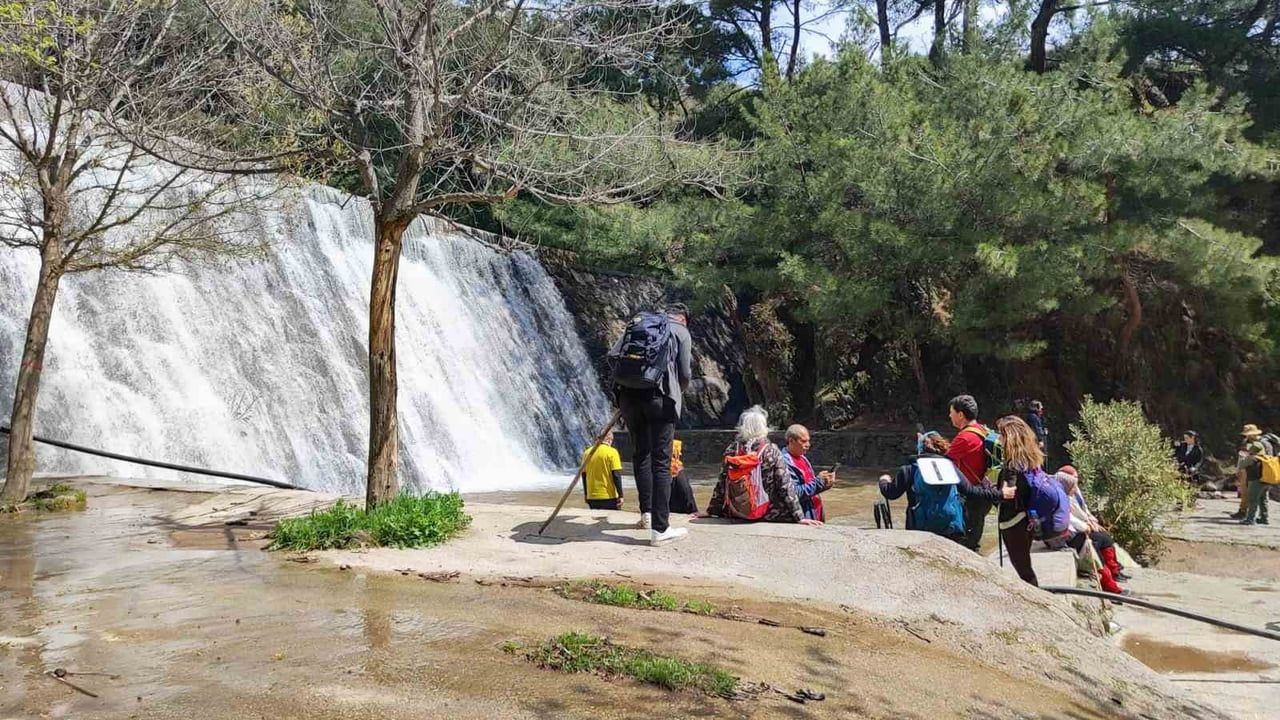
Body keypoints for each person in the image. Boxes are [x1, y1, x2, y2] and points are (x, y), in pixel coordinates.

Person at [614, 303, 693, 546]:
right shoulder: (680, 331)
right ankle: (661, 528)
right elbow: (685, 373)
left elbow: (613, 356)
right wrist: (676, 391)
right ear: (683, 318)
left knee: (641, 455)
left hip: (629, 396)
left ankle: (646, 514)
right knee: (661, 461)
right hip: (660, 399)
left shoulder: (638, 324)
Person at [878, 432, 1011, 544]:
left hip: (919, 530)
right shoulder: (950, 468)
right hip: (951, 527)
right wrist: (1000, 494)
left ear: (920, 449)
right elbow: (972, 491)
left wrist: (884, 480)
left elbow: (891, 493)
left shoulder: (910, 470)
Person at [696, 406, 820, 525]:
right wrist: (800, 517)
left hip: (735, 512)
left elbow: (722, 483)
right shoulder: (771, 451)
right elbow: (785, 486)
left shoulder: (733, 450)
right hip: (767, 513)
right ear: (764, 427)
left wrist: (710, 511)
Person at [994, 415, 1071, 587]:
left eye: (1001, 434)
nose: (998, 439)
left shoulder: (1012, 466)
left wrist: (991, 492)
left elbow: (1009, 493)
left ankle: (1038, 604)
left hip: (1013, 523)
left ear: (1009, 437)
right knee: (1025, 565)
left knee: (1023, 570)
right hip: (1027, 521)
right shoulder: (1031, 461)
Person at [1053, 466, 1128, 593]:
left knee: (1104, 537)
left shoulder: (1068, 492)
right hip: (1065, 537)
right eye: (1073, 482)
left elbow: (1084, 509)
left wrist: (1092, 521)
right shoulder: (1060, 498)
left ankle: (1114, 572)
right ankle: (1110, 586)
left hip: (1076, 531)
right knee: (1094, 549)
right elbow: (1069, 518)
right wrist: (1085, 526)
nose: (1075, 486)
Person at [945, 395, 993, 551]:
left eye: (951, 412)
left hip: (971, 498)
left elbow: (943, 463)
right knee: (973, 540)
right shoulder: (983, 430)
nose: (949, 415)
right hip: (984, 492)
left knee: (966, 545)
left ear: (960, 415)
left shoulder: (965, 437)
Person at [781, 424, 835, 522]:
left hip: (814, 512)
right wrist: (818, 482)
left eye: (808, 440)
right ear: (791, 441)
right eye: (803, 441)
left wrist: (825, 484)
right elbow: (793, 493)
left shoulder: (802, 458)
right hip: (802, 517)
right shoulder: (784, 462)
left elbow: (810, 486)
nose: (808, 445)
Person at [580, 431, 624, 510]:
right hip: (609, 497)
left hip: (592, 497)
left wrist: (586, 494)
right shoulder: (612, 452)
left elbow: (584, 476)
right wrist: (621, 495)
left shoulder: (586, 453)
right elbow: (616, 475)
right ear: (609, 440)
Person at [1232, 424, 1266, 520]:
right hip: (1245, 469)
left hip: (1256, 470)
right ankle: (1243, 511)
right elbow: (1241, 456)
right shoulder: (1245, 442)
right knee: (1244, 491)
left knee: (1254, 494)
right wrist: (1239, 468)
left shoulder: (1261, 443)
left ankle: (1255, 516)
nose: (1248, 436)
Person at [1240, 439, 1270, 526]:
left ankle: (1250, 519)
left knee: (1253, 500)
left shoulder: (1252, 458)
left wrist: (1243, 457)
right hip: (1267, 481)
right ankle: (1264, 518)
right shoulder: (1266, 457)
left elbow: (1242, 465)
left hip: (1256, 481)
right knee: (1263, 500)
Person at [668, 437, 699, 514]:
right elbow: (685, 492)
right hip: (679, 510)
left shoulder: (655, 470)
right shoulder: (678, 471)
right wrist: (693, 510)